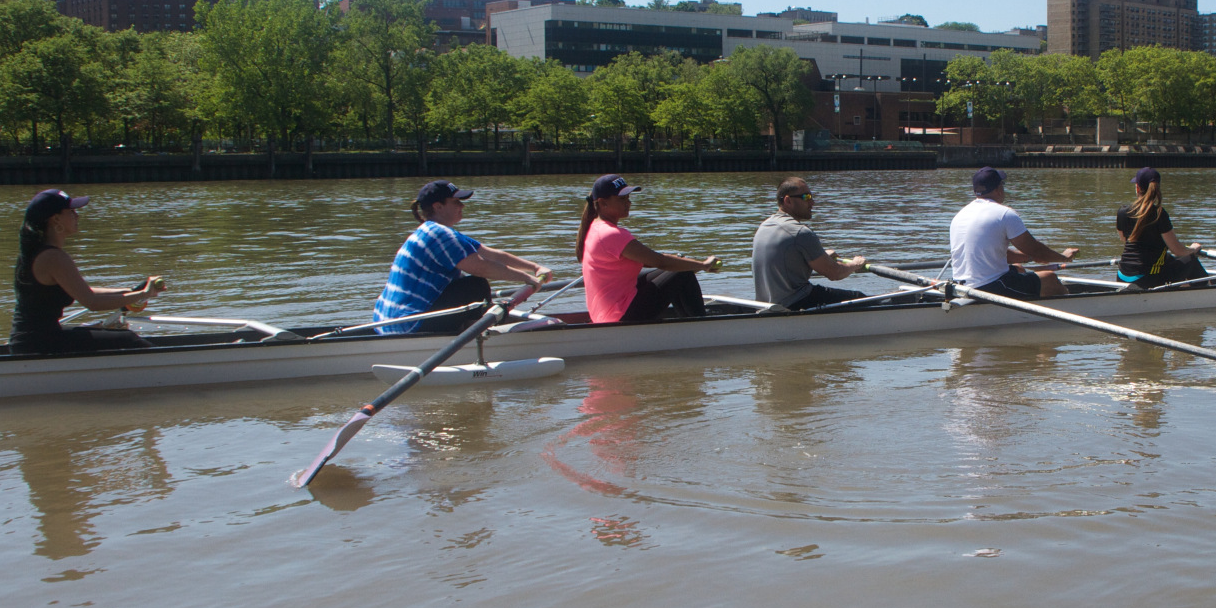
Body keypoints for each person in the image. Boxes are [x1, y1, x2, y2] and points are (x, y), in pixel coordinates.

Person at [372, 180, 551, 334]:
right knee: (475, 285)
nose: (462, 206)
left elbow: (491, 254)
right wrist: (527, 279)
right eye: (456, 202)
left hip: (386, 322)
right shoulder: (439, 235)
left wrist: (535, 268)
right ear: (438, 206)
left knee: (470, 286)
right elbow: (482, 267)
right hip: (408, 325)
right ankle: (479, 334)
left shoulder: (435, 231)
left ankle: (473, 324)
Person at [10, 188, 166, 354]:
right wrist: (143, 294)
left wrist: (129, 292)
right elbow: (92, 302)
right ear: (56, 220)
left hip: (32, 340)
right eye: (71, 211)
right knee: (128, 339)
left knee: (116, 335)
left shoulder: (38, 253)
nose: (77, 215)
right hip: (37, 344)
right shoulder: (54, 258)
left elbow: (84, 292)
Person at [577, 174, 721, 324]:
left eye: (628, 198)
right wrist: (704, 265)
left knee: (673, 270)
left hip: (605, 314)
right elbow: (660, 261)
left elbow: (652, 262)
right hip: (619, 317)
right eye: (622, 199)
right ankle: (702, 328)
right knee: (682, 274)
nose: (628, 203)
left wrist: (686, 263)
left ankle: (691, 325)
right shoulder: (610, 234)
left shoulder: (594, 228)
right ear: (602, 203)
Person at [948, 167, 1077, 299]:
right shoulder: (1004, 214)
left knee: (1018, 268)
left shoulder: (960, 215)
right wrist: (1063, 258)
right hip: (988, 288)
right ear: (999, 189)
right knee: (1050, 278)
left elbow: (1000, 253)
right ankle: (1075, 307)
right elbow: (1036, 250)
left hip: (960, 287)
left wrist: (1030, 258)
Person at [752, 177, 869, 311]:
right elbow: (835, 273)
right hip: (795, 303)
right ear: (788, 200)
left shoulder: (765, 226)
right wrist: (855, 264)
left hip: (766, 304)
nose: (812, 202)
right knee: (861, 298)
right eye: (806, 197)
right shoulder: (801, 232)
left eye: (811, 196)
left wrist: (822, 256)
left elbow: (788, 261)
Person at [1115, 167, 1207, 288]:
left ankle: (1185, 289)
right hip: (1147, 279)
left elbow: (1124, 239)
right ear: (1157, 188)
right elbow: (1177, 250)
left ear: (1137, 188)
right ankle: (1209, 291)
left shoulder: (1122, 211)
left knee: (1167, 258)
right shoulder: (1159, 214)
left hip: (1121, 276)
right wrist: (1193, 250)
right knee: (1191, 261)